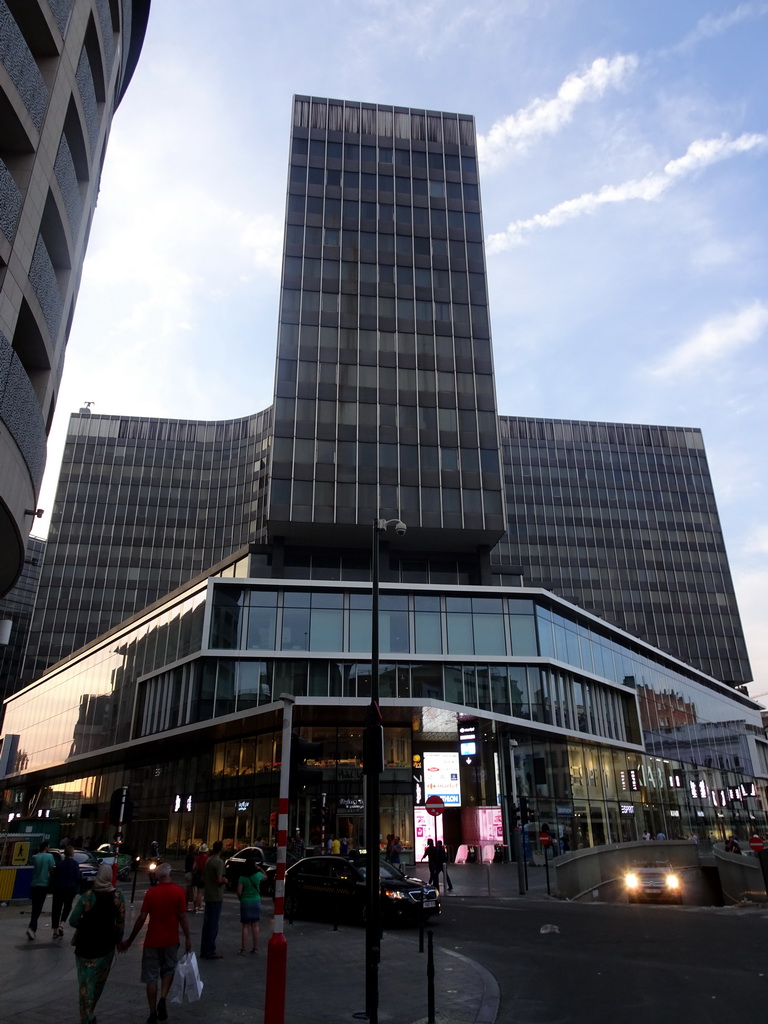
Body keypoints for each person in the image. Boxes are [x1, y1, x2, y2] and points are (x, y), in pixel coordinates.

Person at [118, 861, 191, 1024]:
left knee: (151, 976)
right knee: (168, 969)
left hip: (152, 940)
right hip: (171, 939)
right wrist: (187, 937)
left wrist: (130, 940)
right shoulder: (179, 892)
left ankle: (152, 1012)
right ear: (169, 874)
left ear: (157, 878)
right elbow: (182, 917)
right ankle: (163, 997)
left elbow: (142, 917)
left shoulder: (151, 894)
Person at [70, 863, 125, 1024]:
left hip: (84, 946)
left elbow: (73, 920)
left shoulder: (87, 896)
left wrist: (86, 924)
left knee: (85, 984)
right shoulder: (117, 896)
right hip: (105, 946)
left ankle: (86, 1016)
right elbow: (120, 923)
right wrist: (119, 941)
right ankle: (90, 1012)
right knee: (98, 984)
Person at [200, 840, 226, 959]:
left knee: (207, 923)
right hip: (216, 895)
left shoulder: (208, 860)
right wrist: (225, 881)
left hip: (208, 894)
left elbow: (203, 877)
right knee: (213, 924)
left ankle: (205, 948)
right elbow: (219, 880)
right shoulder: (219, 862)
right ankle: (210, 950)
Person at [27, 839, 56, 940]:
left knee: (34, 907)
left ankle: (32, 928)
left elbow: (31, 863)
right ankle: (31, 928)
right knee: (38, 908)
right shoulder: (50, 856)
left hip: (34, 884)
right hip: (44, 884)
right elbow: (51, 869)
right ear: (46, 847)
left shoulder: (35, 857)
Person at [236, 856, 265, 955]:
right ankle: (255, 948)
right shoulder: (258, 875)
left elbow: (239, 891)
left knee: (245, 926)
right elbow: (266, 877)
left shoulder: (242, 877)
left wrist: (241, 898)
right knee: (255, 925)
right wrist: (260, 868)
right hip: (256, 901)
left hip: (245, 901)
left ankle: (243, 949)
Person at [52, 844, 80, 938]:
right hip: (70, 889)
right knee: (67, 907)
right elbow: (77, 877)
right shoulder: (75, 864)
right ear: (72, 854)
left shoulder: (59, 864)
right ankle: (62, 924)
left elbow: (55, 876)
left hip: (59, 888)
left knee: (56, 908)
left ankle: (55, 930)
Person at [191, 844, 208, 913]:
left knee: (196, 891)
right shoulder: (207, 858)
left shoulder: (197, 858)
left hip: (197, 873)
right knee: (200, 892)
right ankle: (199, 906)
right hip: (202, 874)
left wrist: (194, 874)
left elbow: (193, 868)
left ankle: (195, 906)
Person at [183, 843, 197, 911]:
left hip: (187, 873)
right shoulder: (193, 857)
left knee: (188, 890)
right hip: (190, 874)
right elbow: (193, 868)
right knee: (193, 890)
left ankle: (186, 906)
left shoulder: (187, 856)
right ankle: (194, 906)